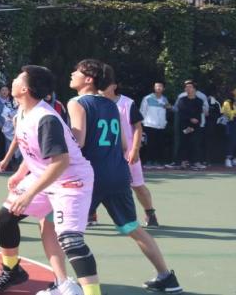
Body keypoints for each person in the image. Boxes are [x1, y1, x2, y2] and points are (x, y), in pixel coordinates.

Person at [68, 60, 182, 294]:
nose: (72, 74)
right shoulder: (112, 105)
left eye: (76, 72)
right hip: (118, 175)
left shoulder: (77, 103)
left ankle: (65, 282)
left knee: (55, 226)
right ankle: (167, 277)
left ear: (88, 79)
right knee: (133, 227)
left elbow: (77, 141)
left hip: (91, 177)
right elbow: (122, 144)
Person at [0, 65, 97, 295]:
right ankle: (12, 270)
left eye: (18, 78)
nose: (14, 80)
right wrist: (20, 173)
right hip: (44, 176)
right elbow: (33, 149)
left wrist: (29, 194)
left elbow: (61, 161)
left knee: (71, 240)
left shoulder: (46, 119)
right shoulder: (22, 112)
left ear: (25, 89)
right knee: (6, 217)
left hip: (70, 180)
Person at [103, 80, 160, 228]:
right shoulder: (95, 103)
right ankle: (90, 214)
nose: (100, 87)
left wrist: (135, 149)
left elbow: (138, 127)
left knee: (137, 185)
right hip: (102, 153)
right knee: (94, 183)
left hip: (127, 153)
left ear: (114, 86)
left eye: (105, 84)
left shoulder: (127, 103)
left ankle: (150, 213)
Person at [172, 81, 205, 171]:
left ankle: (195, 162)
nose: (188, 88)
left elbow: (198, 113)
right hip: (184, 125)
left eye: (190, 87)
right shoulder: (182, 100)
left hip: (195, 126)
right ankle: (182, 162)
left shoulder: (199, 101)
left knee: (195, 143)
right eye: (186, 87)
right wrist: (190, 120)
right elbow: (181, 113)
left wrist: (194, 123)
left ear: (194, 89)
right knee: (183, 143)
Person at [139, 83, 169, 169]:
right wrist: (142, 124)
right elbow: (142, 111)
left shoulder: (165, 99)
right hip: (149, 125)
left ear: (163, 88)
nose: (158, 88)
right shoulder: (147, 98)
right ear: (154, 88)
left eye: (160, 86)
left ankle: (158, 162)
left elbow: (166, 111)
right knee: (149, 144)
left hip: (161, 126)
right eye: (157, 86)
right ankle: (148, 162)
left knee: (159, 144)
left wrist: (164, 122)